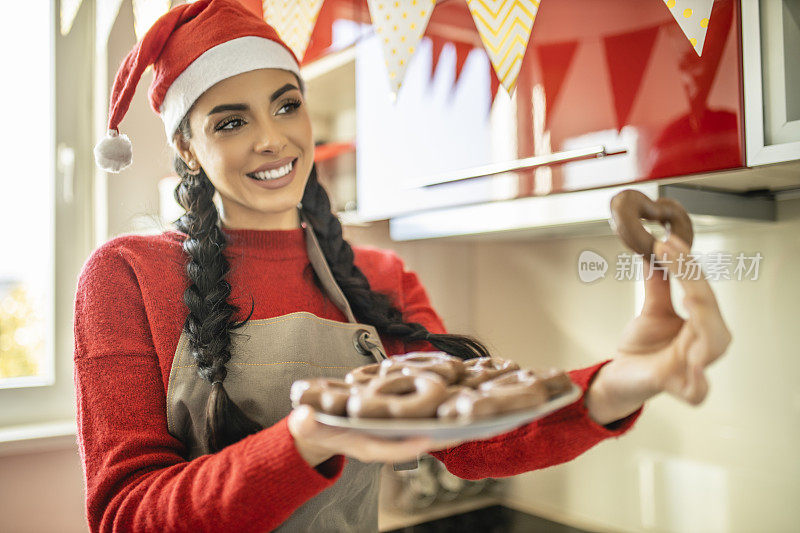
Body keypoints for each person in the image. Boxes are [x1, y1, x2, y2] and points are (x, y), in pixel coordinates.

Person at [76, 1, 732, 531]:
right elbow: (125, 514)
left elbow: (469, 437)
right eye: (229, 122)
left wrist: (618, 381)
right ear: (187, 150)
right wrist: (306, 437)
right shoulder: (125, 276)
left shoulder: (380, 277)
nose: (273, 138)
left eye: (286, 104)